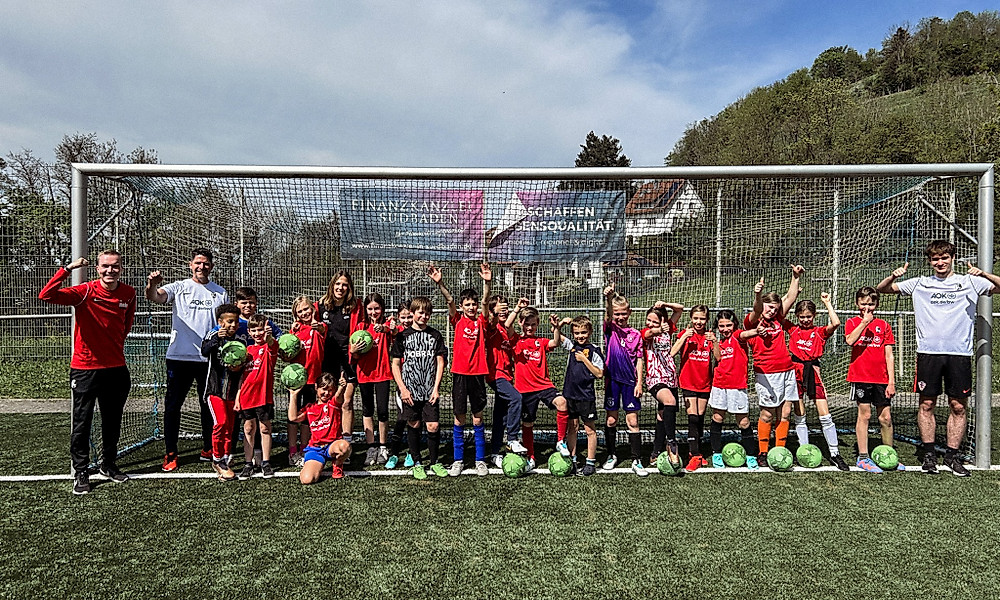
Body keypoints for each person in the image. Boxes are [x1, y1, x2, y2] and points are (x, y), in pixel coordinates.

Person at [877, 240, 1000, 476]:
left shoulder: (970, 281)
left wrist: (984, 273)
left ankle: (952, 457)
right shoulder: (919, 283)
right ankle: (929, 455)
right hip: (928, 354)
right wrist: (893, 276)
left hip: (959, 354)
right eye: (935, 259)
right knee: (927, 404)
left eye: (944, 258)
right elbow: (882, 290)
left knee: (958, 406)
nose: (940, 262)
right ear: (929, 261)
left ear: (952, 258)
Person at [39, 250, 136, 495]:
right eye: (105, 266)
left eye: (115, 266)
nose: (110, 270)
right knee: (82, 422)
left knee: (112, 421)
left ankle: (108, 464)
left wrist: (112, 348)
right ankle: (81, 471)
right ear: (97, 268)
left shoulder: (129, 293)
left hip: (116, 368)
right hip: (85, 369)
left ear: (121, 269)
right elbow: (46, 295)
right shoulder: (85, 291)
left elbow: (126, 325)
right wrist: (67, 269)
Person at [146, 248, 228, 472]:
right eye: (198, 263)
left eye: (206, 263)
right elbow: (155, 297)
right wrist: (152, 284)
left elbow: (226, 323)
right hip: (179, 358)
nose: (202, 267)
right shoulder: (179, 287)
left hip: (208, 359)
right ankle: (171, 453)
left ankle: (208, 448)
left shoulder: (220, 292)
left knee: (208, 405)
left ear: (211, 266)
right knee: (173, 406)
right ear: (190, 265)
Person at [429, 262, 493, 476]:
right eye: (467, 304)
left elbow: (486, 302)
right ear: (462, 306)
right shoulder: (456, 320)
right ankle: (458, 460)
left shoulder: (481, 321)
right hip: (459, 374)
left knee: (477, 418)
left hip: (478, 375)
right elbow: (449, 301)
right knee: (459, 418)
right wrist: (440, 284)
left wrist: (487, 283)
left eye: (473, 304)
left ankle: (480, 460)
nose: (471, 307)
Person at [744, 265, 803, 468]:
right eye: (770, 307)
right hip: (766, 374)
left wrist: (795, 277)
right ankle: (763, 451)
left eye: (775, 308)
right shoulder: (753, 321)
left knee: (785, 414)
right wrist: (757, 294)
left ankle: (780, 450)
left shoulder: (777, 319)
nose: (773, 311)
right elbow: (757, 309)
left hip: (787, 371)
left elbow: (791, 297)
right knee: (767, 414)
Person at [504, 300, 571, 473]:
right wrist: (517, 309)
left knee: (562, 402)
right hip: (524, 390)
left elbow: (555, 343)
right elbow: (507, 325)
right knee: (527, 423)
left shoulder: (540, 342)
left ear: (538, 324)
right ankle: (531, 457)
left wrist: (556, 328)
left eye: (533, 324)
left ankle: (561, 441)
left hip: (544, 386)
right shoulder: (516, 340)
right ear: (521, 323)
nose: (530, 327)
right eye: (527, 324)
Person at [785, 294, 850, 471]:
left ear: (814, 316)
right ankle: (804, 450)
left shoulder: (819, 332)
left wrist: (827, 303)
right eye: (802, 317)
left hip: (813, 371)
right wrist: (792, 296)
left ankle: (835, 453)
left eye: (808, 316)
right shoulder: (793, 330)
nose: (805, 320)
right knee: (799, 414)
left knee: (825, 415)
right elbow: (780, 315)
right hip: (795, 371)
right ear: (797, 316)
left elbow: (836, 323)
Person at [390, 296, 448, 479]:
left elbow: (440, 363)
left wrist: (436, 388)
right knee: (413, 424)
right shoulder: (402, 337)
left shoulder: (435, 335)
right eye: (421, 312)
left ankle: (435, 461)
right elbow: (395, 365)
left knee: (433, 425)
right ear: (413, 313)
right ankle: (417, 462)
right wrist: (403, 389)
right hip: (410, 390)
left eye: (427, 313)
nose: (424, 316)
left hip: (429, 390)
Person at [844, 287, 897, 474]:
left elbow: (889, 355)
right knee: (864, 415)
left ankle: (889, 455)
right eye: (863, 304)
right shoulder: (852, 322)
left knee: (886, 418)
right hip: (861, 377)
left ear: (877, 304)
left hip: (881, 378)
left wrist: (891, 381)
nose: (867, 307)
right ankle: (863, 457)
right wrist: (864, 323)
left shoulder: (884, 325)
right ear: (857, 304)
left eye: (871, 304)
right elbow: (850, 341)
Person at [706, 310, 761, 469]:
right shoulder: (716, 341)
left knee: (743, 421)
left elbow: (745, 334)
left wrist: (757, 331)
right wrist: (715, 342)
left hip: (737, 386)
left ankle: (751, 455)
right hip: (719, 385)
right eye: (721, 326)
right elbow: (718, 358)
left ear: (734, 324)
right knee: (717, 418)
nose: (725, 329)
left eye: (728, 325)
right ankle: (716, 453)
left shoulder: (737, 336)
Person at [600, 282, 645, 475]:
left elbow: (640, 360)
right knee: (611, 420)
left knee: (633, 421)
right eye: (617, 314)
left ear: (629, 313)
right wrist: (608, 298)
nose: (620, 317)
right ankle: (611, 455)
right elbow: (607, 315)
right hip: (612, 381)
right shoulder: (610, 329)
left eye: (623, 313)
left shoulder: (636, 334)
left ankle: (636, 459)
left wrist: (639, 382)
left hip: (630, 383)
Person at [316, 271, 363, 441]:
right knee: (327, 400)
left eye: (344, 285)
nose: (340, 288)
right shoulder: (320, 306)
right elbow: (305, 321)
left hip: (348, 360)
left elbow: (364, 326)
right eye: (337, 284)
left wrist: (357, 348)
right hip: (326, 361)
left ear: (349, 288)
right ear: (332, 285)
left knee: (346, 401)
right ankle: (327, 438)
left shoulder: (355, 307)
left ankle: (347, 441)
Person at [201, 303, 245, 481]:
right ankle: (217, 459)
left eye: (235, 322)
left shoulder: (240, 340)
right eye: (229, 321)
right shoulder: (213, 335)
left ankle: (226, 458)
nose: (233, 325)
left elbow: (241, 366)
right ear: (220, 322)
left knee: (230, 426)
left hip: (231, 392)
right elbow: (204, 351)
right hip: (215, 390)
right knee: (221, 422)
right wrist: (215, 341)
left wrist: (238, 366)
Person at [234, 314, 279, 480]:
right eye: (254, 330)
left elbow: (273, 345)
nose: (257, 333)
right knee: (248, 429)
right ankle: (248, 463)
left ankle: (266, 462)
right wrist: (238, 397)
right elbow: (241, 377)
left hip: (263, 397)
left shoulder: (269, 348)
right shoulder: (246, 351)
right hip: (246, 397)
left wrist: (269, 338)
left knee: (265, 428)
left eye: (260, 329)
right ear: (249, 332)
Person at [485, 294, 526, 468]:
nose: (504, 311)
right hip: (496, 375)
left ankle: (494, 453)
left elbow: (511, 329)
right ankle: (512, 438)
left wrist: (517, 310)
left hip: (508, 376)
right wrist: (498, 312)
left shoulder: (506, 330)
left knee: (500, 416)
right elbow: (494, 321)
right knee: (516, 398)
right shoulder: (492, 327)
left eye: (505, 308)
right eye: (500, 308)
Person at [288, 373, 352, 484]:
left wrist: (341, 387)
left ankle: (337, 464)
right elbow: (293, 418)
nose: (326, 393)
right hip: (315, 449)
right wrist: (293, 395)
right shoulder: (310, 408)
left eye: (330, 390)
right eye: (324, 389)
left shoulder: (333, 404)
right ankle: (318, 463)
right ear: (316, 387)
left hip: (332, 446)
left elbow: (338, 397)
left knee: (344, 446)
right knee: (307, 480)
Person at [354, 293, 395, 466]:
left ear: (382, 309)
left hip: (383, 373)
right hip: (364, 374)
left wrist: (387, 329)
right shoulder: (360, 327)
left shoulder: (387, 324)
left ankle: (383, 446)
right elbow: (354, 355)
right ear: (365, 310)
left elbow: (393, 332)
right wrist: (354, 350)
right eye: (370, 309)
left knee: (383, 411)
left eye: (377, 308)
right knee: (367, 410)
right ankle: (371, 447)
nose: (373, 312)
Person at [560, 316, 604, 476]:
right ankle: (572, 459)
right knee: (572, 428)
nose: (580, 336)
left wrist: (584, 359)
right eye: (577, 333)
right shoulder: (572, 346)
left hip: (586, 397)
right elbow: (556, 334)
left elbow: (599, 374)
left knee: (589, 430)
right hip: (570, 396)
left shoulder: (594, 350)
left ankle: (590, 461)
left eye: (584, 332)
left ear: (590, 332)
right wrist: (560, 324)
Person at [670, 305, 713, 471]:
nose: (698, 322)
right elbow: (672, 353)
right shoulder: (685, 334)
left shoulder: (709, 336)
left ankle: (697, 452)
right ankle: (694, 454)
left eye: (702, 318)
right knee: (693, 418)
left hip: (704, 383)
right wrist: (684, 337)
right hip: (688, 381)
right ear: (691, 319)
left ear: (706, 320)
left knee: (700, 418)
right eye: (695, 318)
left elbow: (717, 357)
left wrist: (714, 341)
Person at [641, 301, 683, 467]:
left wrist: (665, 304)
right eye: (648, 320)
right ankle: (672, 443)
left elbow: (680, 309)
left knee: (662, 415)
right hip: (655, 377)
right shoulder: (646, 332)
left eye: (655, 321)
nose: (650, 323)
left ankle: (655, 452)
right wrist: (658, 329)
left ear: (663, 321)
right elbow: (648, 334)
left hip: (670, 377)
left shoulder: (668, 328)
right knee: (669, 401)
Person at [288, 296, 327, 467]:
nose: (304, 313)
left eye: (306, 309)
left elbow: (322, 329)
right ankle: (292, 451)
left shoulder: (319, 326)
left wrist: (317, 325)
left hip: (313, 379)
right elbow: (287, 352)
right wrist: (292, 331)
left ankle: (304, 448)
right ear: (295, 314)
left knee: (307, 416)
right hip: (296, 380)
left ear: (313, 309)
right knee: (292, 417)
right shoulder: (295, 331)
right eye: (300, 311)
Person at [386, 301, 415, 470]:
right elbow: (393, 331)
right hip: (402, 383)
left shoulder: (420, 331)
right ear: (398, 318)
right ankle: (394, 453)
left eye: (409, 316)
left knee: (415, 419)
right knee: (402, 418)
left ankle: (412, 452)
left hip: (418, 382)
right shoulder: (397, 332)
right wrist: (391, 327)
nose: (407, 320)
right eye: (403, 317)